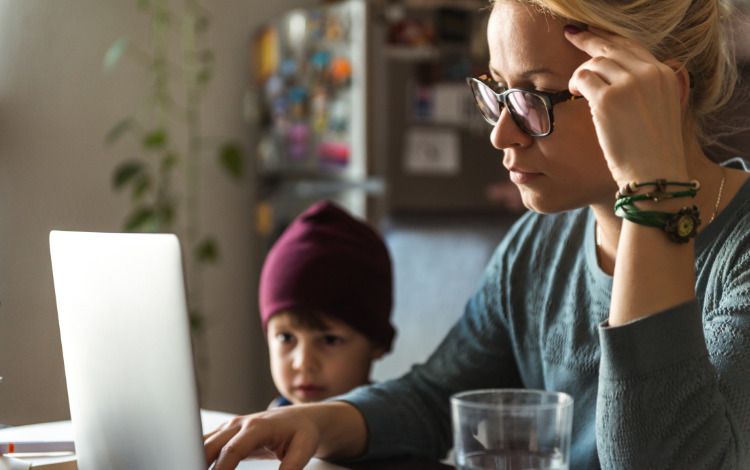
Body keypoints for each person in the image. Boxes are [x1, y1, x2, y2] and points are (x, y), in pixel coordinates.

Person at [204, 0, 750, 468]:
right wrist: (317, 423)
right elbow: (435, 398)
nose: (501, 133)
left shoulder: (740, 255)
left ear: (659, 92)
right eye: (497, 92)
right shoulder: (540, 247)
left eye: (535, 97)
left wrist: (654, 190)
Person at [258, 200, 395, 407]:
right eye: (286, 338)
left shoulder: (393, 429)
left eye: (329, 340)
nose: (303, 363)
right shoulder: (271, 419)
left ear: (377, 344)